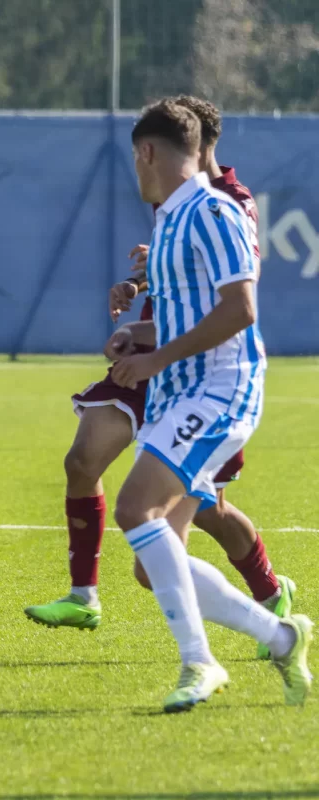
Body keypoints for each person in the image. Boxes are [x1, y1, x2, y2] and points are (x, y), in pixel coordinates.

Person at [24, 96, 293, 661]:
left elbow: (232, 294)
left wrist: (157, 342)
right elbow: (178, 275)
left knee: (203, 516)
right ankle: (85, 596)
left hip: (202, 371)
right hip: (156, 359)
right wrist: (140, 286)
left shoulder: (226, 204)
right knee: (82, 462)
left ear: (195, 145)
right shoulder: (171, 205)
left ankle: (271, 602)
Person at [107, 99, 310, 712]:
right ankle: (282, 637)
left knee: (134, 508)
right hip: (180, 393)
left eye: (135, 158)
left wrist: (155, 360)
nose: (136, 169)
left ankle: (199, 661)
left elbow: (240, 310)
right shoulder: (170, 219)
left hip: (221, 389)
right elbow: (186, 314)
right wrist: (139, 336)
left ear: (147, 152)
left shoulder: (214, 211)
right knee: (152, 564)